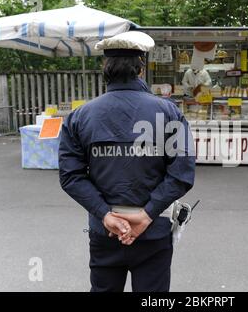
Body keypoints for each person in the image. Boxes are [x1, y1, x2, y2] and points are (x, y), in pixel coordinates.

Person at [58, 31, 196, 292]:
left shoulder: (80, 117)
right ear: (140, 69)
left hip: (105, 231)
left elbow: (71, 176)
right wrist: (146, 215)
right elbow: (182, 174)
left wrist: (105, 214)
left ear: (105, 69)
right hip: (153, 231)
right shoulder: (168, 112)